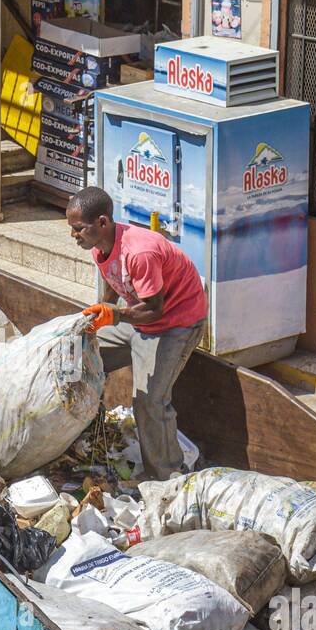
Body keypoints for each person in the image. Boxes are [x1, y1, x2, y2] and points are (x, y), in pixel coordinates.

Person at [66, 186, 207, 482]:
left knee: (149, 400)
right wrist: (100, 315)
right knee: (78, 354)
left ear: (102, 223)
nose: (73, 235)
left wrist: (115, 315)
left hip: (174, 324)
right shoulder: (99, 247)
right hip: (137, 318)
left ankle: (167, 479)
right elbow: (111, 290)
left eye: (78, 229)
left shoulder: (139, 253)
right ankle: (86, 430)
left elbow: (155, 309)